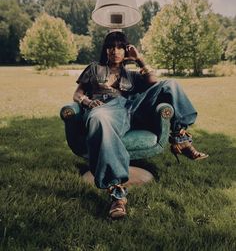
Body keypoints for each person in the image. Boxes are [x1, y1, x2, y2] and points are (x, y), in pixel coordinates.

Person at [73, 31, 208, 219]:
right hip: (106, 109)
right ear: (105, 50)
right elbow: (77, 94)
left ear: (126, 50)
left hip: (132, 108)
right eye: (111, 47)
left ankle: (180, 137)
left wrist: (139, 59)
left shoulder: (131, 74)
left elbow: (153, 82)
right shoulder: (94, 69)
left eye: (120, 47)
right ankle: (117, 194)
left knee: (171, 84)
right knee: (99, 118)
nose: (115, 51)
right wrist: (87, 102)